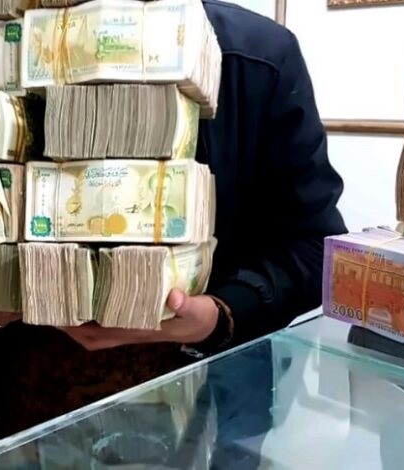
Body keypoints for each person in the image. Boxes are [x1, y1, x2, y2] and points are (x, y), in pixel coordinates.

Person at [62, 0, 347, 356]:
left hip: (209, 372)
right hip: (22, 372)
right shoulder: (13, 41)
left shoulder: (261, 57)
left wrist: (222, 313)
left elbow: (317, 250)